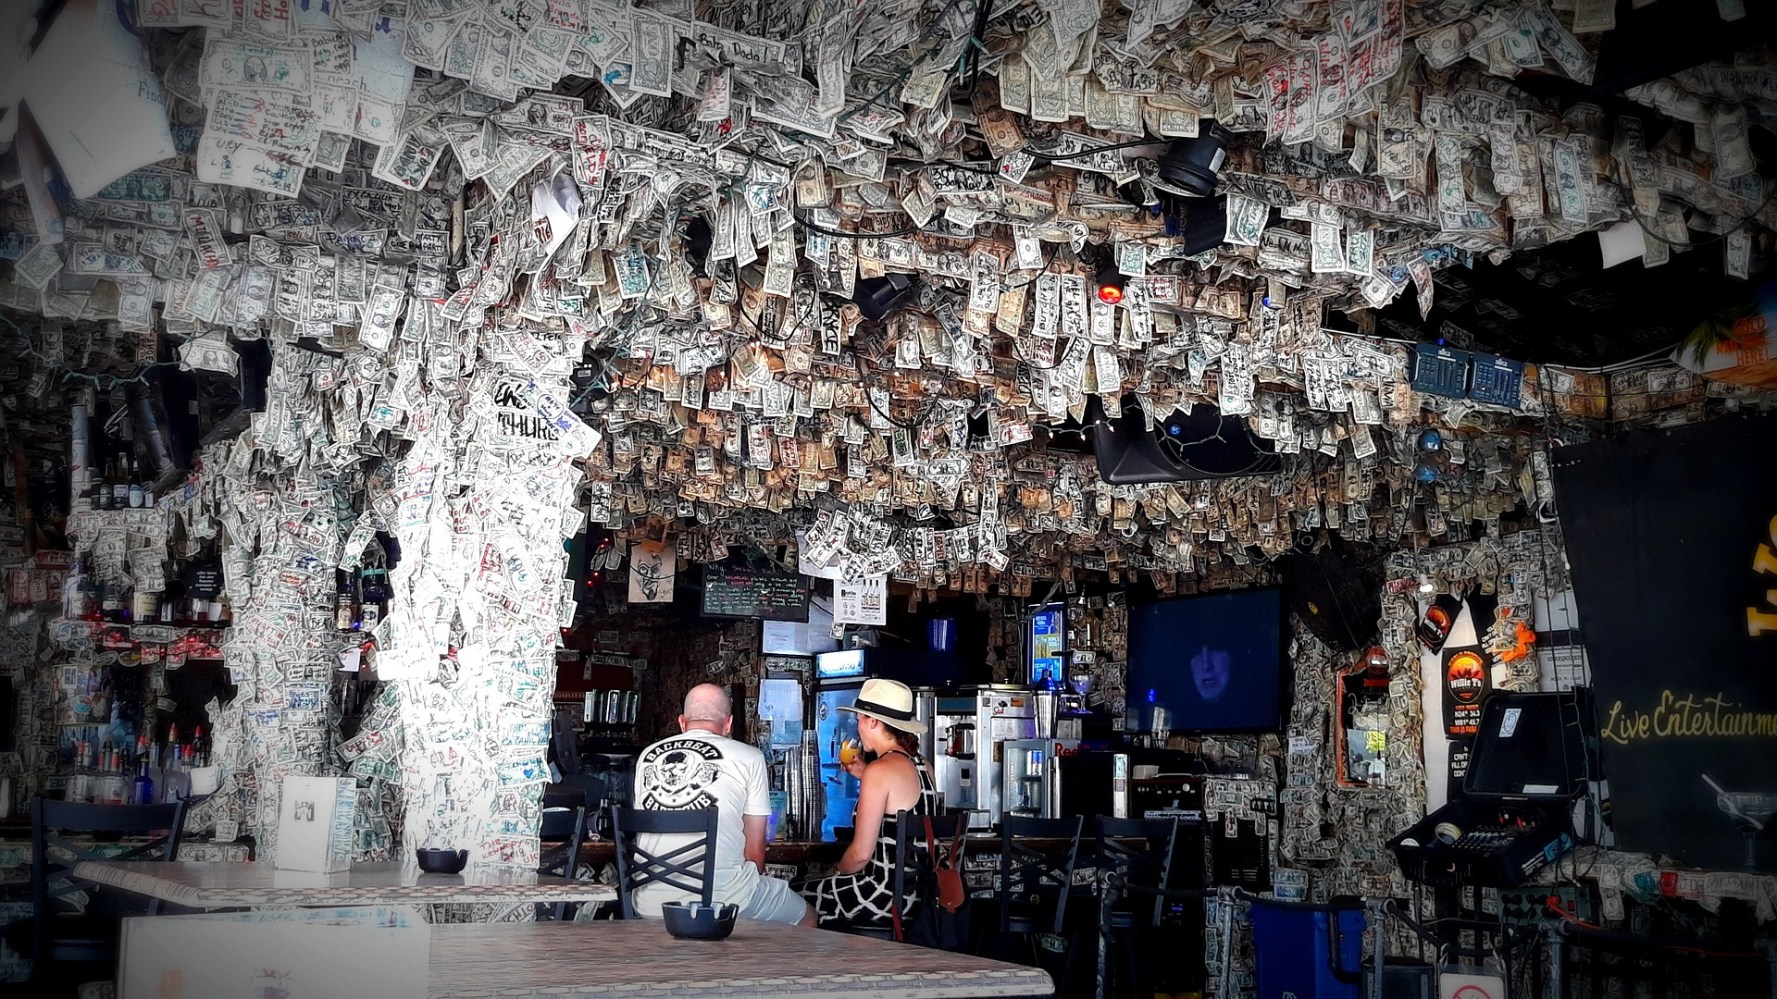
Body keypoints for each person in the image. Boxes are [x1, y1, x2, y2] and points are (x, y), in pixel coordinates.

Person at [632, 683, 815, 926]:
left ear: (682, 723)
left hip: (649, 899)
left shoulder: (648, 756)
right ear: (728, 724)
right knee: (808, 917)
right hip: (722, 901)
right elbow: (755, 851)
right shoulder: (750, 757)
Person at [801, 678, 939, 929]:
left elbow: (861, 855)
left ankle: (819, 968)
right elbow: (900, 798)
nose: (857, 727)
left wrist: (834, 871)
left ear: (873, 721)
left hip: (879, 897)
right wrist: (864, 772)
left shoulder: (880, 770)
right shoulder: (924, 766)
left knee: (793, 900)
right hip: (918, 898)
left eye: (859, 720)